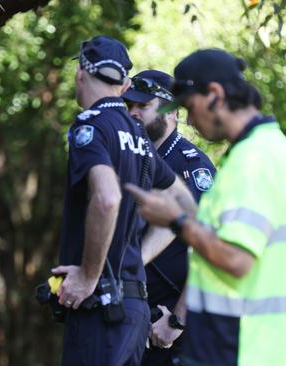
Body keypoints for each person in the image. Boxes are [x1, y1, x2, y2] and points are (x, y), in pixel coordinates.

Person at [126, 49, 286, 366]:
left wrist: (176, 221)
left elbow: (237, 259)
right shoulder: (273, 149)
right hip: (257, 347)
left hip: (242, 348)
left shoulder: (254, 161)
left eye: (190, 107)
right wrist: (181, 202)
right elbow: (221, 234)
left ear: (215, 95)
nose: (190, 119)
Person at [51, 36, 196, 366]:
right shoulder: (139, 137)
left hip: (100, 309)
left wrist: (90, 275)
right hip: (134, 310)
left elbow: (107, 198)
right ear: (125, 83)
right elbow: (185, 204)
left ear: (80, 74)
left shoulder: (91, 126)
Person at [122, 70, 216, 366]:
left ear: (171, 111)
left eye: (143, 106)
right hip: (129, 314)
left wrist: (176, 322)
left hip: (168, 328)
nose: (133, 113)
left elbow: (209, 253)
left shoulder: (192, 166)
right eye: (130, 106)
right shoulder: (129, 158)